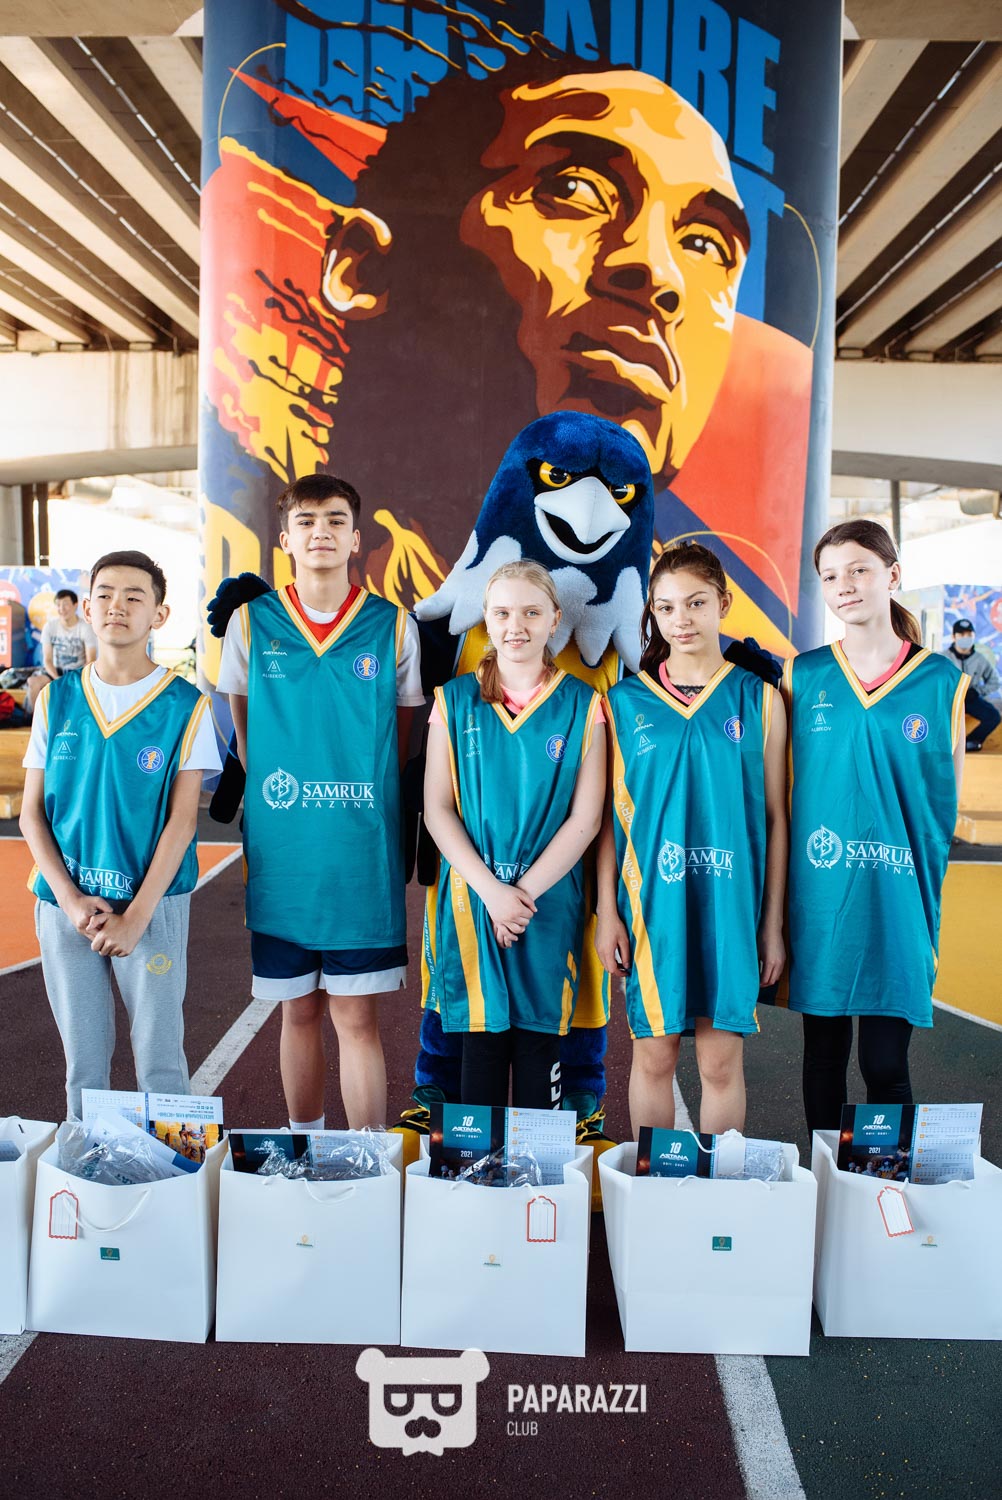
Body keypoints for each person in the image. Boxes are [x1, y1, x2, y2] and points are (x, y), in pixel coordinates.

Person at [216, 474, 424, 1130]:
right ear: (284, 540)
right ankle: (303, 1145)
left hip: (360, 855)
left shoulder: (393, 627)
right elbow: (245, 731)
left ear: (356, 538)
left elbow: (399, 738)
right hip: (284, 855)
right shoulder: (251, 623)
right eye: (305, 522)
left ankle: (368, 1156)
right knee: (298, 1010)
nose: (321, 532)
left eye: (335, 520)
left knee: (357, 1015)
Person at [19, 551, 221, 1119]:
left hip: (150, 905)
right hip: (66, 905)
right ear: (86, 609)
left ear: (160, 615)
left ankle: (174, 1168)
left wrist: (136, 917)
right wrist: (69, 899)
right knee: (83, 1064)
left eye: (135, 596)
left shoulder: (186, 706)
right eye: (105, 594)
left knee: (160, 1058)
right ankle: (89, 1168)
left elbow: (184, 822)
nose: (117, 606)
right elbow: (31, 814)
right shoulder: (55, 700)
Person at [596, 542, 787, 1137]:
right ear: (652, 613)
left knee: (720, 1064)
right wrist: (607, 913)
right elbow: (609, 820)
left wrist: (772, 924)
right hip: (651, 906)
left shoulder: (760, 699)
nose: (681, 619)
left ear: (723, 604)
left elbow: (776, 818)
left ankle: (718, 1188)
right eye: (666, 607)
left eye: (696, 603)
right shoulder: (623, 702)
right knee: (653, 1058)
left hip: (730, 907)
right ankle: (655, 1185)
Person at [784, 520, 968, 1137]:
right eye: (830, 575)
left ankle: (886, 1182)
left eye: (858, 569)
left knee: (885, 1063)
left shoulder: (942, 682)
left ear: (892, 576)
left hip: (899, 897)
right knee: (824, 1056)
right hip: (824, 897)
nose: (844, 585)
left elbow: (942, 809)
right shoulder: (801, 676)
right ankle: (829, 1182)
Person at [422, 560, 605, 1108]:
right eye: (501, 613)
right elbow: (436, 810)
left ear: (554, 620)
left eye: (531, 612)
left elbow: (586, 820)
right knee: (476, 1069)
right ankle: (476, 1166)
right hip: (473, 900)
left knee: (537, 1066)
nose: (515, 625)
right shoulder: (453, 701)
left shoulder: (584, 704)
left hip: (546, 904)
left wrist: (520, 896)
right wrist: (493, 894)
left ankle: (537, 1168)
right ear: (485, 618)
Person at [24, 588, 96, 715]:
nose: (61, 608)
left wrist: (74, 678)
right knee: (32, 682)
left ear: (75, 605)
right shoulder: (50, 626)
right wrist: (57, 679)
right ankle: (37, 720)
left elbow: (91, 660)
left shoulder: (85, 627)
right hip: (55, 671)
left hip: (77, 672)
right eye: (58, 605)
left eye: (65, 604)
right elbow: (47, 660)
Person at [941, 617, 1001, 752]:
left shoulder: (980, 659)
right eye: (961, 634)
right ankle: (944, 745)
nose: (965, 638)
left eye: (969, 634)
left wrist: (978, 691)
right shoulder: (943, 658)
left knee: (993, 716)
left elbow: (995, 682)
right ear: (953, 636)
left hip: (971, 699)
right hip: (950, 700)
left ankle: (970, 742)